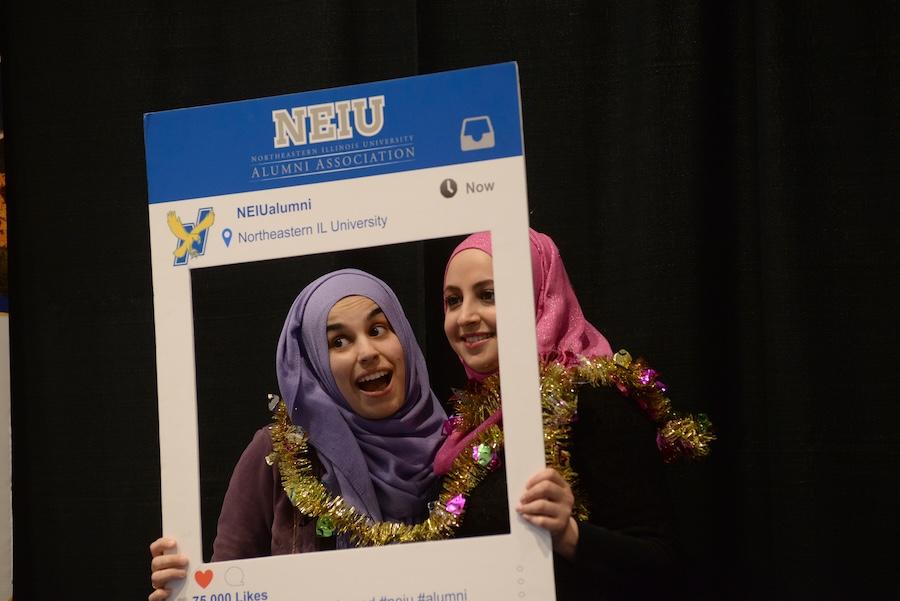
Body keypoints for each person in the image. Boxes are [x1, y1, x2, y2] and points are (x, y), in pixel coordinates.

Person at [435, 230, 710, 600]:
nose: (465, 316)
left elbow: (661, 564)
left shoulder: (592, 398)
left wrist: (568, 534)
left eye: (489, 295)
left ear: (539, 296)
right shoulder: (472, 420)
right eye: (453, 300)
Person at [150, 269, 447, 601]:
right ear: (314, 363)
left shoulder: (459, 450)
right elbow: (228, 584)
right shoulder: (277, 454)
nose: (366, 352)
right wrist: (185, 587)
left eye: (377, 330)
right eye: (338, 342)